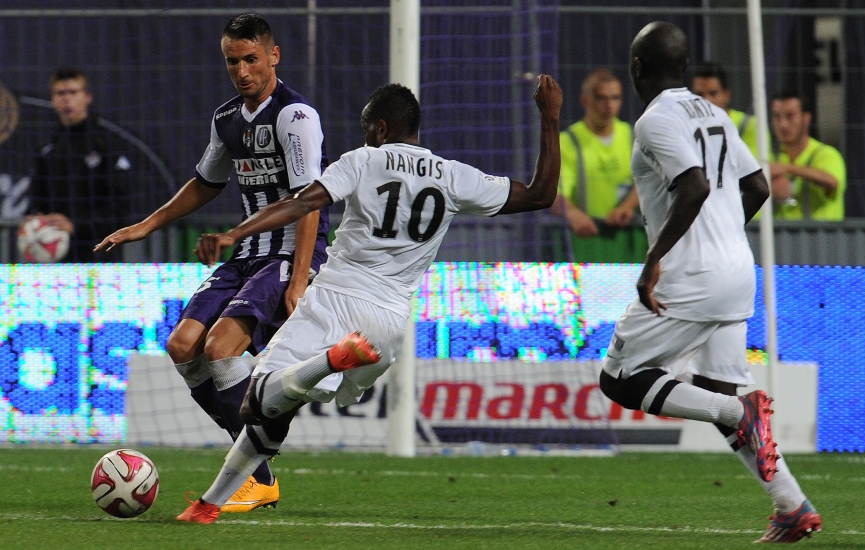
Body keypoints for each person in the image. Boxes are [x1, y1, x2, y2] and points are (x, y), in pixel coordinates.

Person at [175, 75, 563, 524]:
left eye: (366, 129)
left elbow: (304, 202)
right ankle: (210, 505)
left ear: (378, 128)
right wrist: (550, 118)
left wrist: (236, 232)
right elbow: (540, 194)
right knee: (276, 416)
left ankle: (329, 360)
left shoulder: (364, 160)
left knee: (257, 400)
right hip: (388, 324)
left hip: (338, 298)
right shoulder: (455, 176)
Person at [95, 13, 330, 513]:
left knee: (222, 347)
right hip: (245, 254)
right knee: (183, 345)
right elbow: (207, 181)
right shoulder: (226, 118)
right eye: (232, 61)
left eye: (250, 59)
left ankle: (253, 475)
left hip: (288, 252)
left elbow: (310, 199)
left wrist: (298, 281)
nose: (242, 70)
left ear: (273, 56)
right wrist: (147, 225)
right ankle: (256, 472)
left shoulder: (295, 117)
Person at [598, 22, 821, 543]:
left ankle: (738, 411)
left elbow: (693, 186)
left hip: (690, 277)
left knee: (620, 378)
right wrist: (720, 237)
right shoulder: (714, 113)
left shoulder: (654, 121)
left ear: (637, 70)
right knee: (719, 393)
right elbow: (759, 186)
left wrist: (654, 259)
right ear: (683, 68)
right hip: (737, 272)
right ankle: (791, 504)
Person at [28, 68, 131, 262]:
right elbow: (36, 202)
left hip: (100, 258)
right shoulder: (47, 148)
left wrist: (75, 224)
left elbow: (121, 209)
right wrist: (34, 222)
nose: (67, 99)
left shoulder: (108, 143)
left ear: (87, 96)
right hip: (56, 259)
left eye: (73, 92)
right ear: (52, 99)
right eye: (60, 93)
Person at [550, 68, 646, 263]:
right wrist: (573, 213)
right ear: (585, 101)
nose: (609, 106)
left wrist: (627, 207)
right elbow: (554, 193)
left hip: (630, 242)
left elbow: (648, 179)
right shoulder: (569, 142)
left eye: (615, 98)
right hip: (587, 244)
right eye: (601, 98)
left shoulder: (632, 136)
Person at [769, 89, 846, 220]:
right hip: (780, 237)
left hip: (823, 237)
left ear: (806, 118)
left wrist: (788, 168)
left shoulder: (826, 154)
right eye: (777, 117)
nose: (783, 125)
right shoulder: (771, 155)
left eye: (790, 116)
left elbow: (831, 182)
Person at [691, 61, 770, 161]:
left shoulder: (750, 124)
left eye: (713, 93)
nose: (706, 101)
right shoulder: (686, 125)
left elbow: (758, 166)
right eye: (699, 95)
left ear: (727, 95)